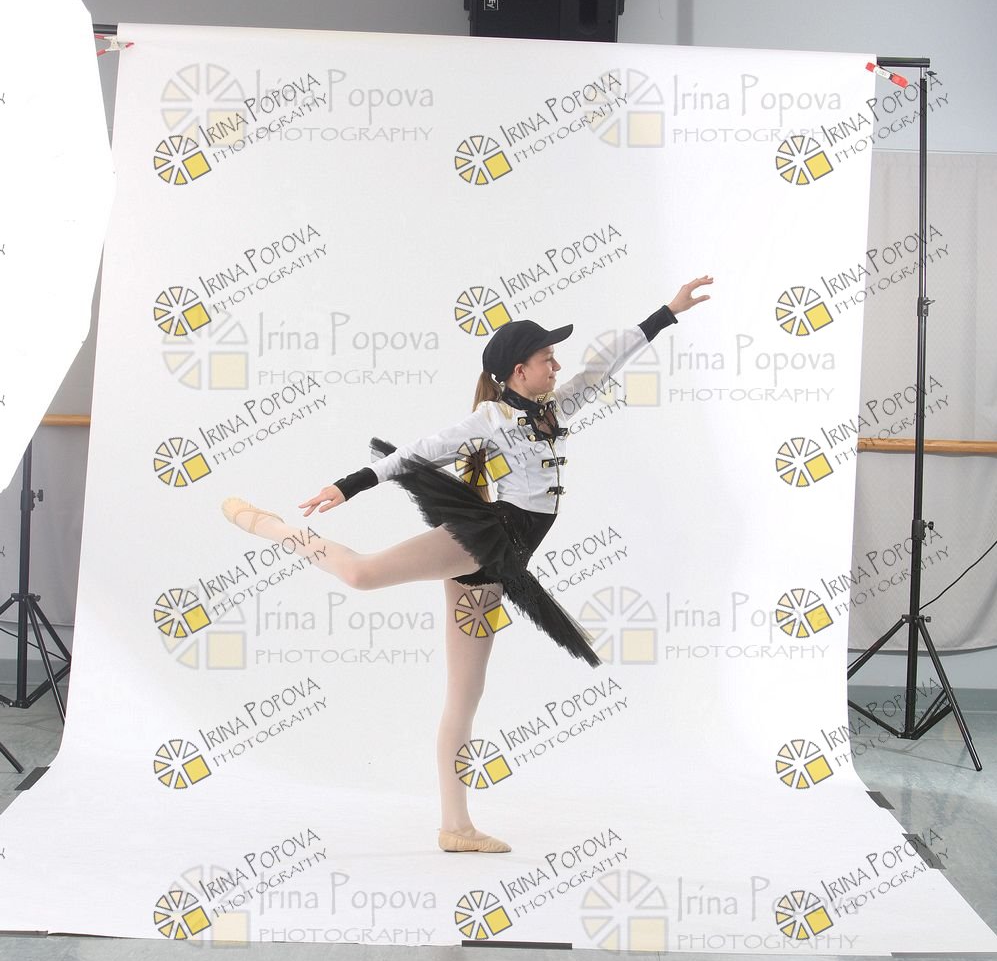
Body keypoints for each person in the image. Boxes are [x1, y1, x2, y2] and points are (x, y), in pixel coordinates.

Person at [221, 274, 713, 854]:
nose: (556, 365)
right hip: (483, 539)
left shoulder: (557, 407)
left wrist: (667, 312)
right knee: (360, 574)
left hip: (500, 566)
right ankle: (272, 528)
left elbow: (605, 364)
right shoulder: (488, 420)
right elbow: (417, 453)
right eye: (547, 358)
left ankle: (455, 827)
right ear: (518, 371)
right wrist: (347, 485)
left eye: (555, 357)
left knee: (464, 697)